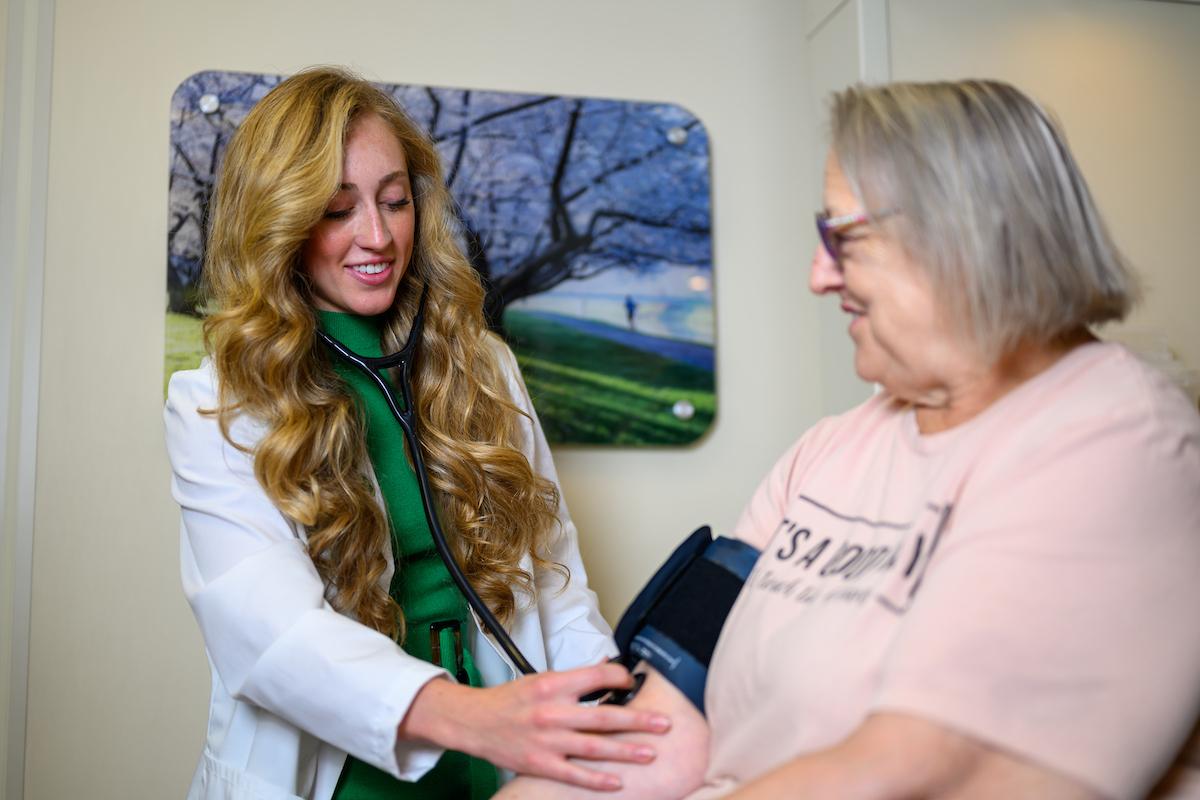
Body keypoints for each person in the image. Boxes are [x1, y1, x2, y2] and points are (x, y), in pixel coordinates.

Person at [497, 79, 1200, 799]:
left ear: (963, 235)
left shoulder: (1116, 445)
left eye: (844, 238)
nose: (818, 275)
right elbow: (668, 715)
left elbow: (920, 769)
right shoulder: (830, 451)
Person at [163, 67, 671, 800]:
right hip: (341, 771)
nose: (378, 235)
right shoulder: (217, 402)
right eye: (338, 209)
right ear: (282, 221)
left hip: (491, 759)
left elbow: (555, 583)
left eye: (395, 200)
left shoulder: (482, 365)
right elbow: (270, 634)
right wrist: (473, 719)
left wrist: (604, 726)